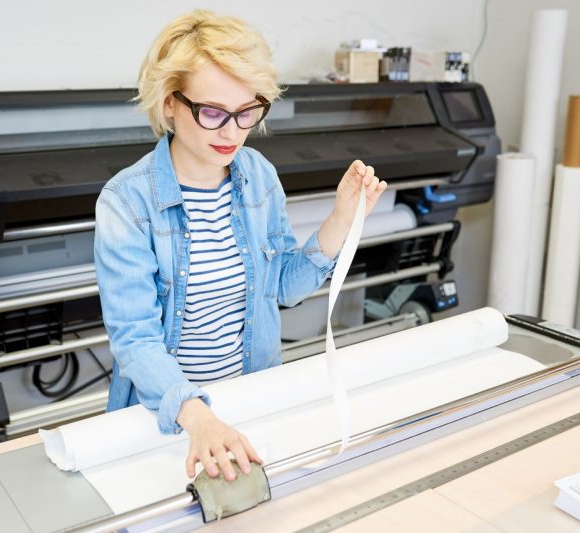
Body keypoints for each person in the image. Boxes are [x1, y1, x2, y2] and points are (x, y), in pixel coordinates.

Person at [94, 9, 386, 483]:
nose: (232, 132)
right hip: (171, 418)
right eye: (212, 112)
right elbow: (136, 340)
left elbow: (283, 288)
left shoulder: (257, 176)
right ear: (170, 103)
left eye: (247, 111)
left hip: (252, 401)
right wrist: (199, 418)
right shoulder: (126, 203)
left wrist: (341, 219)